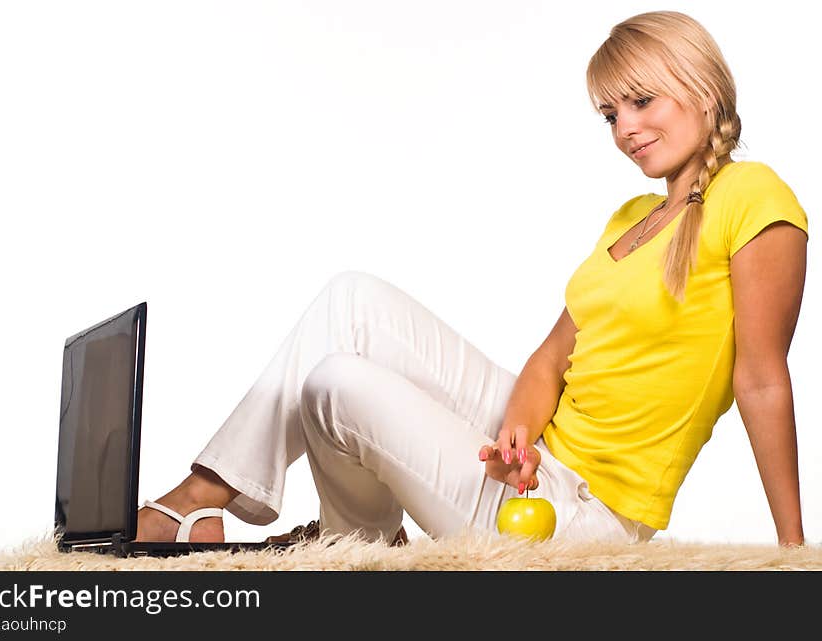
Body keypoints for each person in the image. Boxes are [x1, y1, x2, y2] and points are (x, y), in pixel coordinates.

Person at [136, 10, 808, 548]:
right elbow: (553, 356)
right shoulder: (632, 217)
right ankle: (227, 496)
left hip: (581, 511)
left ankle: (323, 530)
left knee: (334, 382)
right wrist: (517, 434)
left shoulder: (753, 197)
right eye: (609, 114)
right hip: (537, 460)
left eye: (640, 101)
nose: (625, 129)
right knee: (351, 298)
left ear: (703, 87)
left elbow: (760, 376)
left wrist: (792, 550)